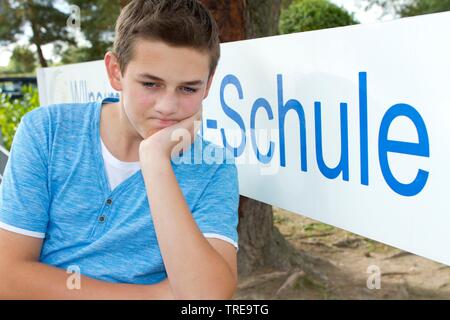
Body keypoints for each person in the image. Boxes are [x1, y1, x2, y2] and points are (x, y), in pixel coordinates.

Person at [0, 0, 239, 299]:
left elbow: (205, 298)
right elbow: (7, 277)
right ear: (115, 72)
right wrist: (152, 296)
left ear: (208, 85)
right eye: (151, 84)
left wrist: (155, 161)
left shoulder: (214, 166)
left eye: (188, 89)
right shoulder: (48, 131)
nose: (167, 107)